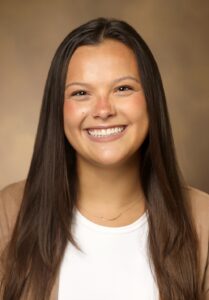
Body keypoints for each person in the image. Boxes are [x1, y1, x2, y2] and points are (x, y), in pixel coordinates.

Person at [0, 17, 208, 300]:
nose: (103, 110)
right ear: (57, 110)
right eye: (81, 93)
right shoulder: (9, 214)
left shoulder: (202, 220)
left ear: (151, 99)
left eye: (122, 88)